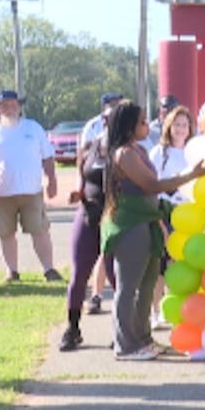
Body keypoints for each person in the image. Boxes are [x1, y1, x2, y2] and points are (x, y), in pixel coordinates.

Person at [101, 101, 205, 360]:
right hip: (129, 224)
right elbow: (152, 184)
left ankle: (143, 339)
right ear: (129, 125)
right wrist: (191, 175)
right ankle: (125, 345)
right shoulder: (124, 154)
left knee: (148, 281)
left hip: (147, 221)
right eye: (141, 121)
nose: (146, 125)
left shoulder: (138, 149)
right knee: (128, 286)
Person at [0, 90, 63, 283]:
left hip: (31, 191)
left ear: (19, 106)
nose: (9, 108)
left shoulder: (33, 128)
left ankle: (49, 269)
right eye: (4, 105)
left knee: (39, 230)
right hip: (0, 193)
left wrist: (52, 180)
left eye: (13, 104)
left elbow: (47, 156)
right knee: (4, 233)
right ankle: (12, 272)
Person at [60, 102, 118, 351]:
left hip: (115, 218)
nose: (107, 125)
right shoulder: (88, 149)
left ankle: (122, 331)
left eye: (113, 120)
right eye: (105, 120)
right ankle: (72, 329)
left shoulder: (127, 152)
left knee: (118, 277)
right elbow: (82, 182)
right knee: (78, 274)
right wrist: (77, 194)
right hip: (88, 214)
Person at [147, 106, 195, 324]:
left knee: (182, 263)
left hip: (189, 214)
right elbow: (151, 183)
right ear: (169, 126)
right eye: (177, 125)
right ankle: (154, 312)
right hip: (164, 212)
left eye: (185, 125)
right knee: (160, 264)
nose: (181, 129)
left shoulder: (194, 151)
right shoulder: (159, 152)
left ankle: (177, 308)